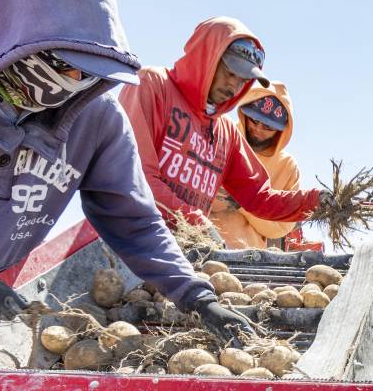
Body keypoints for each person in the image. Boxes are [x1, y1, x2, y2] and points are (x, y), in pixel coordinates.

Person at [0, 0, 250, 343]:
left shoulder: (95, 114)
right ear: (15, 34)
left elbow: (134, 221)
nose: (73, 84)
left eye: (86, 72)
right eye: (64, 65)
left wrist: (195, 295)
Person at [120, 18, 329, 239]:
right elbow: (135, 176)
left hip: (179, 245)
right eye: (230, 73)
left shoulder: (226, 132)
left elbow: (259, 197)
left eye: (243, 80)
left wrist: (316, 201)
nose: (234, 86)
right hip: (126, 238)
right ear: (206, 57)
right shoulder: (152, 85)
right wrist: (197, 222)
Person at [209, 82, 305, 249]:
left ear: (281, 130)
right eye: (254, 120)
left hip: (246, 254)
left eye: (267, 126)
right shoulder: (219, 136)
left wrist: (243, 204)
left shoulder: (287, 167)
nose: (258, 129)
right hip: (198, 240)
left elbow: (281, 228)